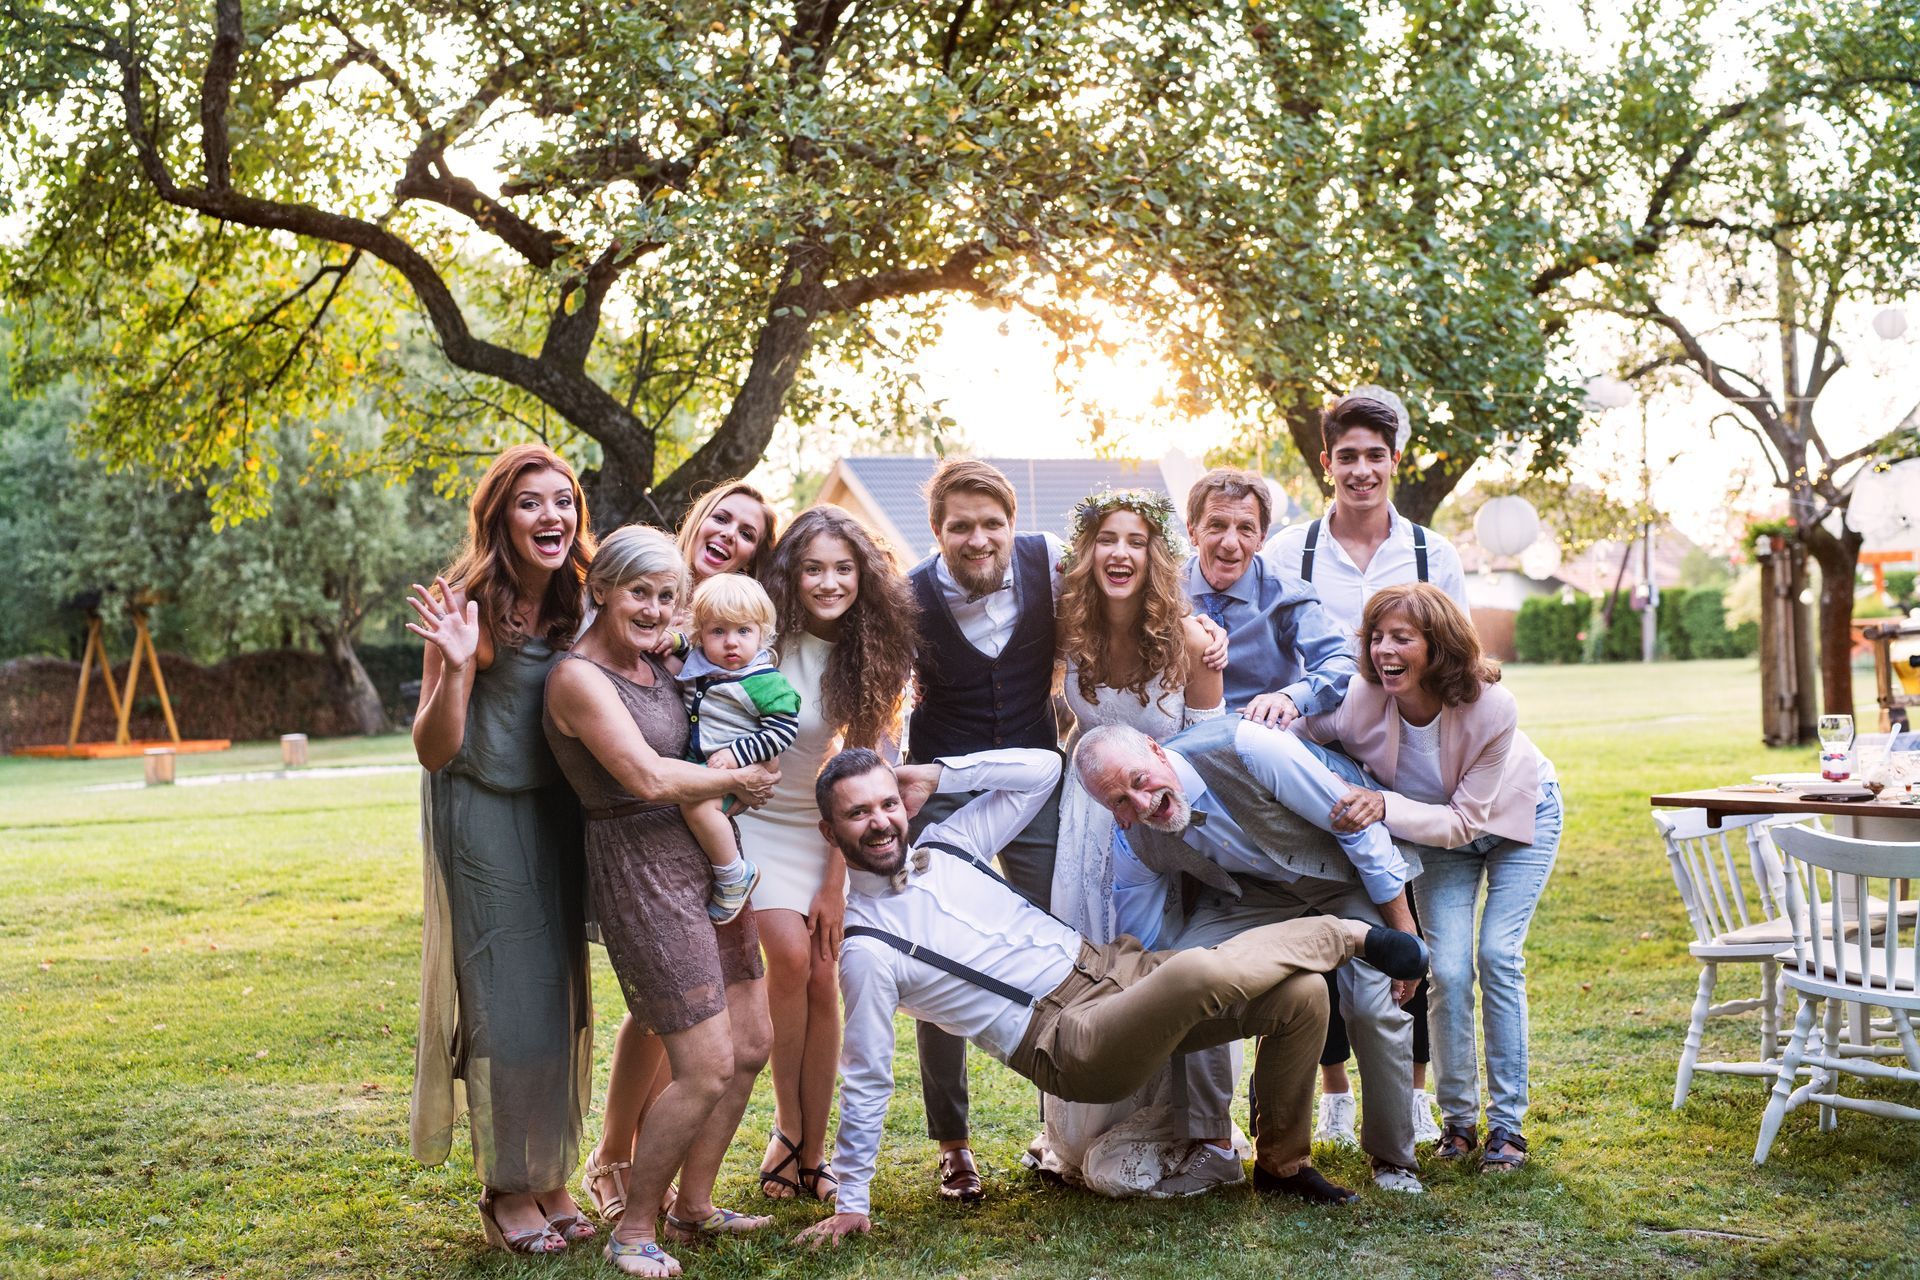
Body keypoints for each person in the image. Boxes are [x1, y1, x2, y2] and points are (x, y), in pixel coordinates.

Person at [793, 746, 1432, 1247]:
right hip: (1064, 1038)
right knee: (1193, 975)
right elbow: (868, 1077)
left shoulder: (948, 844)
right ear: (829, 832)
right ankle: (1348, 934)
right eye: (858, 813)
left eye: (886, 804)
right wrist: (853, 1201)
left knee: (1300, 998)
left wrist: (936, 772)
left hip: (1111, 968)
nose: (880, 822)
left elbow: (1044, 770)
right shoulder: (867, 948)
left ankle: (1283, 1163)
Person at [544, 525, 782, 1277]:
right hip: (642, 871)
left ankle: (695, 1204)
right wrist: (738, 781)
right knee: (705, 1063)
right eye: (638, 592)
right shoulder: (577, 678)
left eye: (666, 596)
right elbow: (646, 778)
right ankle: (634, 1229)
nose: (652, 609)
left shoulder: (662, 662)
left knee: (750, 1046)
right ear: (602, 591)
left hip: (712, 865)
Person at [1075, 707, 1430, 1197]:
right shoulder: (1133, 839)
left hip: (1337, 871)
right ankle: (1216, 1147)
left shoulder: (1248, 746)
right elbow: (1145, 943)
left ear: (1157, 751)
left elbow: (1355, 826)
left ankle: (1393, 1159)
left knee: (1372, 1006)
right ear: (1112, 810)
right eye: (1121, 799)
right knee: (1182, 980)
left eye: (1140, 779)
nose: (1142, 801)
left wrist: (1404, 936)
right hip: (1254, 896)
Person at [1262, 389, 1469, 1150]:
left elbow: (1457, 656)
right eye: (1346, 456)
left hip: (1406, 764)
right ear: (1326, 465)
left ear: (1394, 462)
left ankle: (1409, 1094)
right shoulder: (1289, 553)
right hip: (1315, 761)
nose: (1360, 470)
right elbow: (1275, 654)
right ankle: (1337, 1093)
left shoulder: (1428, 554)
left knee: (1400, 927)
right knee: (1317, 925)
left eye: (1374, 456)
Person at [1299, 583, 1562, 1174]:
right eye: (1377, 637)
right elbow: (1310, 730)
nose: (1384, 650)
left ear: (1436, 645)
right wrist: (1274, 712)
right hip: (1437, 835)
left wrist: (1384, 804)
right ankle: (1460, 1123)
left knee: (1497, 955)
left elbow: (1467, 819)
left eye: (1401, 638)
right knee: (1444, 968)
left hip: (1520, 816)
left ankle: (1510, 1129)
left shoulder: (1492, 704)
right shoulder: (1367, 695)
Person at [406, 444, 598, 1254]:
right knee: (506, 1002)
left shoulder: (584, 596)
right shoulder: (469, 604)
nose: (550, 516)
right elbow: (432, 747)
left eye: (563, 501)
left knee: (555, 1000)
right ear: (500, 516)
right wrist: (455, 670)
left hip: (558, 812)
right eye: (530, 503)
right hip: (481, 809)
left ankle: (548, 1176)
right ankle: (505, 1190)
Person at [1031, 488, 1228, 1196]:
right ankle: (1082, 1116)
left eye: (1136, 540)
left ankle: (1178, 1124)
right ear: (1087, 552)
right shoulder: (1068, 629)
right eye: (1107, 539)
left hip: (1157, 822)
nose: (1120, 553)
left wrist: (1182, 837)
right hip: (1085, 819)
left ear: (1157, 555)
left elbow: (1212, 751)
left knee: (1156, 964)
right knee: (1087, 957)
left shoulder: (1194, 641)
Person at [741, 505, 919, 1205]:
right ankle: (787, 1131)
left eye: (843, 568)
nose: (828, 581)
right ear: (789, 572)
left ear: (863, 575)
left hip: (818, 829)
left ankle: (814, 1151)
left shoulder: (872, 649)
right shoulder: (763, 634)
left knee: (823, 975)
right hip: (752, 818)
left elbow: (862, 769)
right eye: (812, 567)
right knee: (787, 956)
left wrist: (835, 880)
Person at [901, 458, 1065, 1203]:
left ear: (1012, 522)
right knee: (941, 954)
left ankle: (1064, 1129)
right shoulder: (906, 596)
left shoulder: (1049, 560)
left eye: (990, 523)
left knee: (1063, 942)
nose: (978, 539)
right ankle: (954, 1145)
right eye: (960, 526)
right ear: (936, 531)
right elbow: (878, 693)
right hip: (938, 784)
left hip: (1034, 779)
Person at [675, 574, 801, 923]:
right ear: (702, 636)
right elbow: (688, 649)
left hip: (730, 771)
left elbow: (784, 730)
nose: (731, 643)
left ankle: (733, 875)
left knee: (696, 807)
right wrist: (671, 641)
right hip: (702, 766)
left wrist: (737, 755)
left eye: (743, 631)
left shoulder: (762, 680)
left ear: (762, 634)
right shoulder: (707, 664)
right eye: (719, 631)